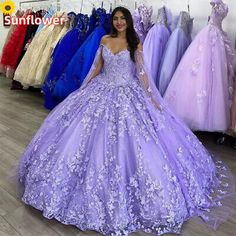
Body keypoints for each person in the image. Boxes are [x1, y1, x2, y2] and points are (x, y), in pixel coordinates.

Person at [18, 7, 235, 236]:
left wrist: (151, 97)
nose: (119, 22)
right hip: (102, 89)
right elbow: (97, 67)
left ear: (128, 21)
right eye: (116, 18)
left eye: (123, 18)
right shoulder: (104, 39)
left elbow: (142, 73)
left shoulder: (135, 43)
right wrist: (85, 87)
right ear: (113, 21)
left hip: (127, 92)